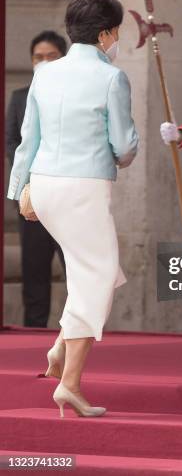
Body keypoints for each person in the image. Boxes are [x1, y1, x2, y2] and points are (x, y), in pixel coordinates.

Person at [7, 0, 139, 418]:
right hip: (84, 187)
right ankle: (69, 383)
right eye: (116, 31)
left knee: (100, 271)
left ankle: (59, 348)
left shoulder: (45, 73)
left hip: (44, 185)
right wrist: (125, 152)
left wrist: (19, 191)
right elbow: (124, 145)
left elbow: (29, 139)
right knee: (95, 279)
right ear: (105, 34)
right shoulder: (112, 77)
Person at [6, 30, 67, 328]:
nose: (43, 62)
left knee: (74, 268)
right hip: (32, 196)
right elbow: (11, 142)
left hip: (68, 195)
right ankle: (34, 329)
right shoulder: (20, 97)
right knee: (34, 271)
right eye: (38, 58)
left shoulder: (72, 95)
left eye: (51, 57)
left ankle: (76, 333)